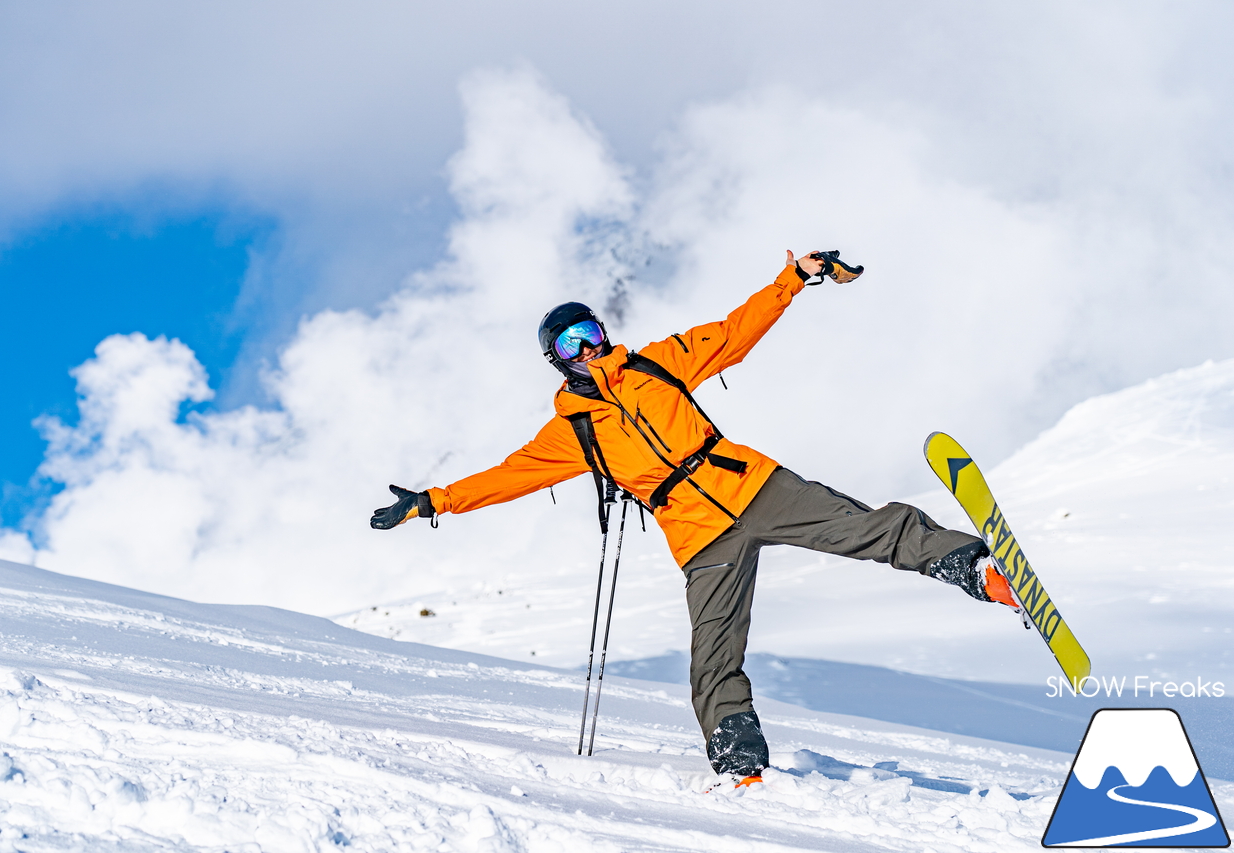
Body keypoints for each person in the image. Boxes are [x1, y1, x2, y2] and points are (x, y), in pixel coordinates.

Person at [371, 250, 1021, 786]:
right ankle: (742, 767)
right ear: (558, 361)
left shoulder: (658, 362)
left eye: (592, 333)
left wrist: (792, 279)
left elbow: (736, 333)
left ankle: (977, 567)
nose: (588, 348)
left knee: (868, 526)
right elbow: (508, 477)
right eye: (572, 344)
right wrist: (431, 501)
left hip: (753, 485)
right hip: (697, 530)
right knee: (713, 653)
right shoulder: (571, 432)